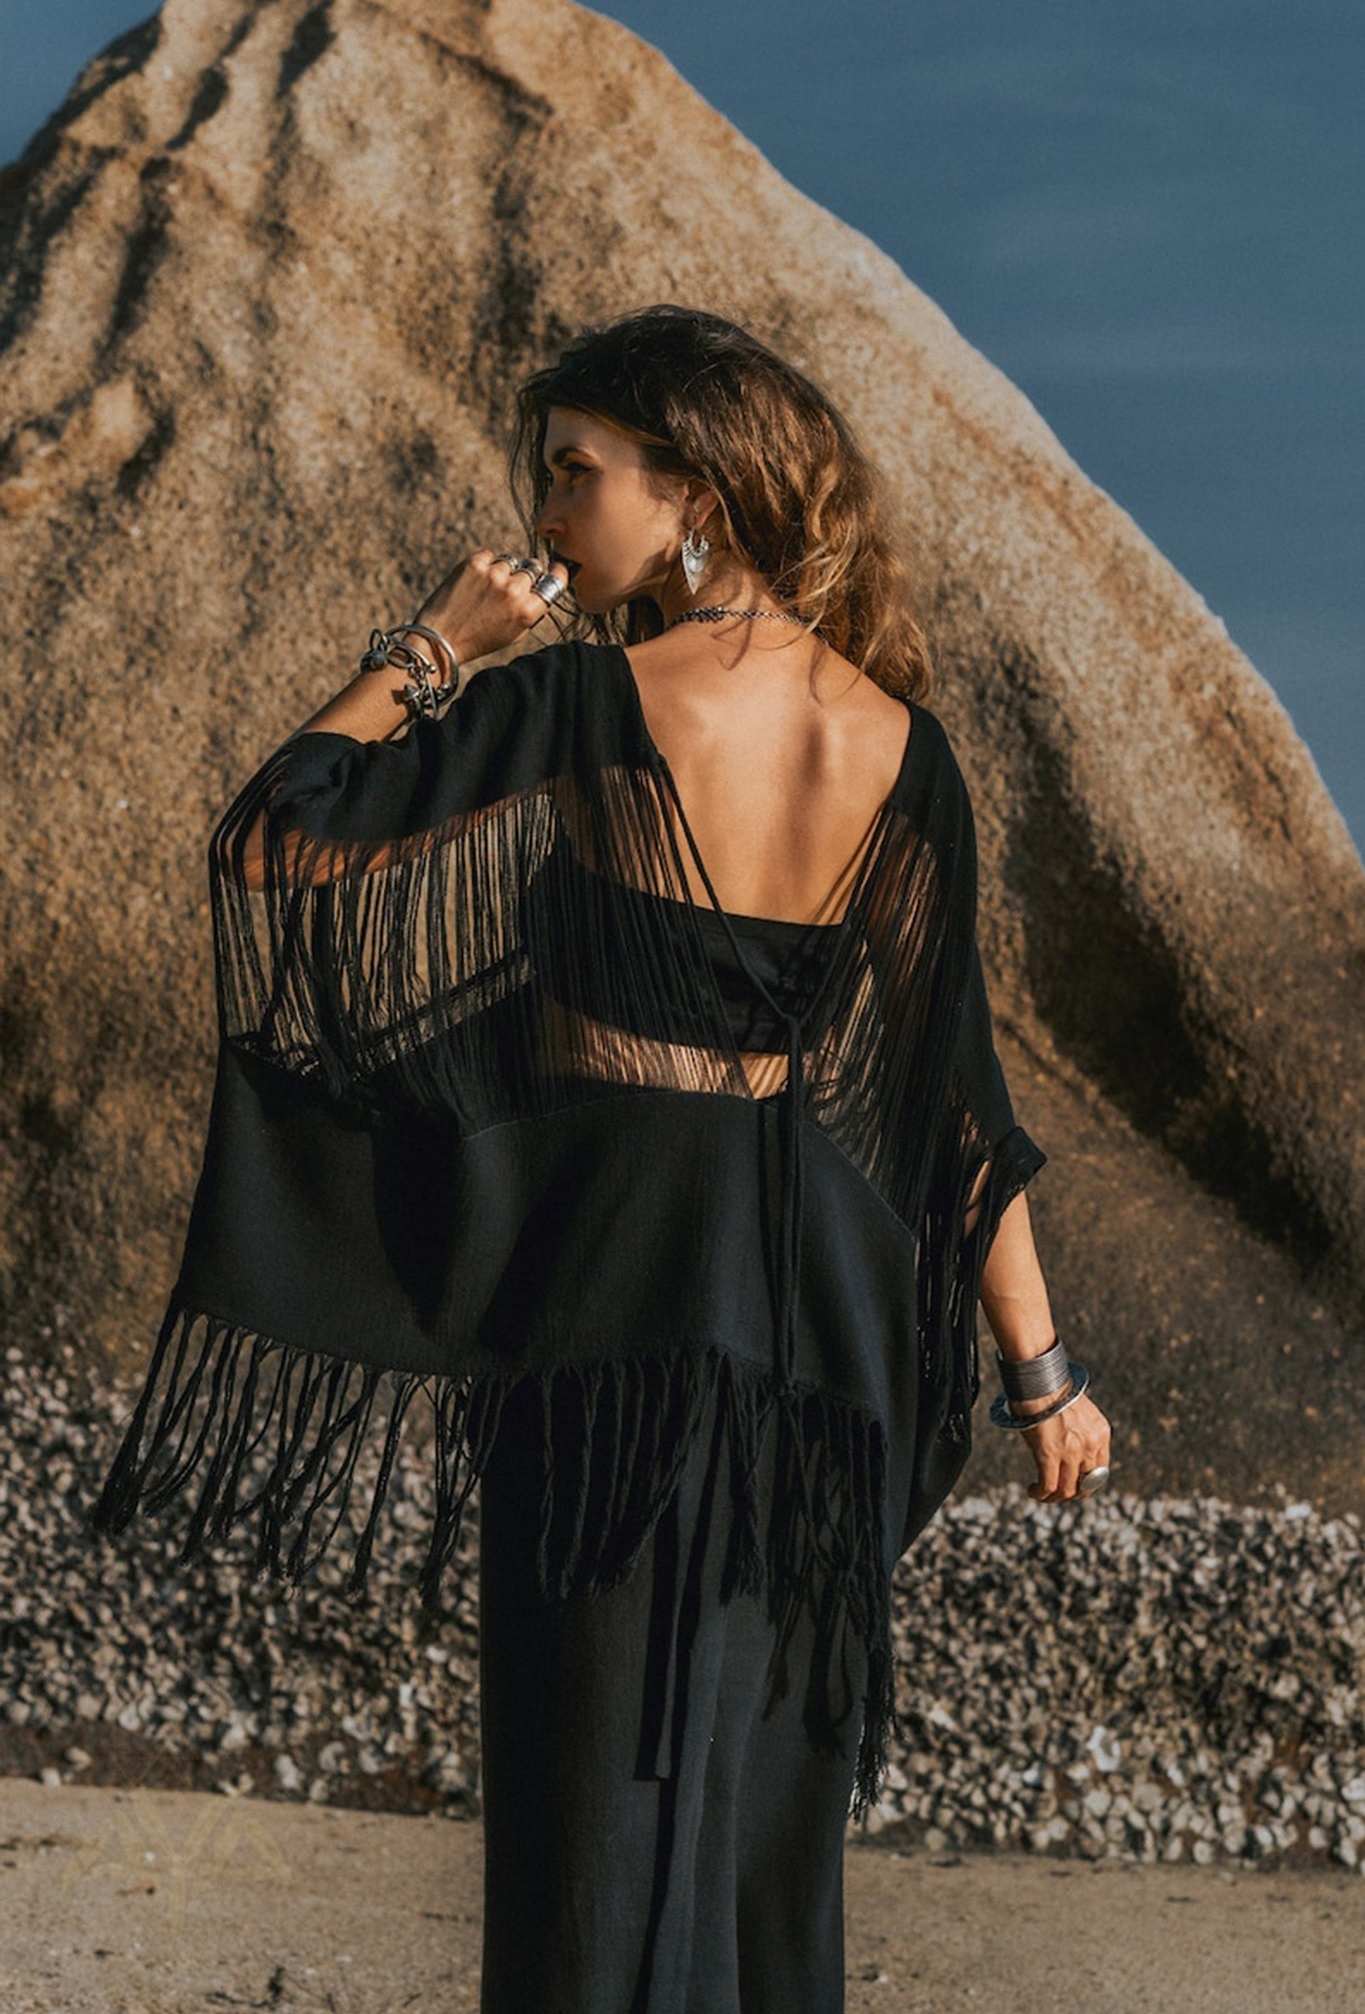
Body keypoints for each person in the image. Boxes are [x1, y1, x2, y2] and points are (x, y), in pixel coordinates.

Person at [90, 304, 1111, 2013]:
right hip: (817, 1332)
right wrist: (1042, 1373)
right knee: (759, 1814)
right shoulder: (901, 750)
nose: (548, 517)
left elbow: (277, 846)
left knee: (589, 1804)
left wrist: (433, 642)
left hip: (615, 1303)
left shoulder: (588, 699)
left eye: (576, 475)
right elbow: (952, 1101)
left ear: (694, 491)